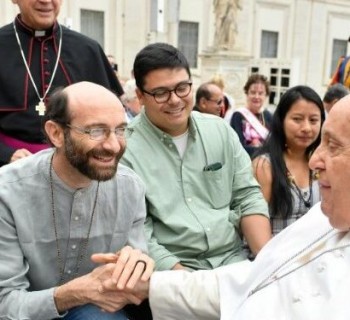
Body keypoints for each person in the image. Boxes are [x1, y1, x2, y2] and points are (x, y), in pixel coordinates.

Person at [98, 92, 350, 320]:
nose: (316, 160)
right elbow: (247, 282)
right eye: (161, 92)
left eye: (334, 146)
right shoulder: (319, 217)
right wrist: (151, 285)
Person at [0, 81, 154, 319]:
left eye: (121, 130)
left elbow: (136, 266)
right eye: (96, 131)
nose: (114, 145)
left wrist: (137, 267)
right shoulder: (7, 191)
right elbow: (4, 303)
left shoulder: (130, 187)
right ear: (56, 133)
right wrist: (74, 293)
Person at [121, 42, 271, 272]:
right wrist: (188, 284)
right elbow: (138, 232)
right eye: (161, 93)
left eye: (182, 88)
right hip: (172, 274)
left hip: (234, 262)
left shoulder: (219, 131)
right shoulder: (126, 149)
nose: (175, 100)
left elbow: (247, 196)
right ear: (140, 96)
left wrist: (267, 264)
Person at [0, 0, 124, 166]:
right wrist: (6, 153)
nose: (45, 1)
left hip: (79, 167)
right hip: (8, 169)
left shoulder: (87, 49)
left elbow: (111, 119)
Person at [252, 86, 325, 235]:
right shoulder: (265, 165)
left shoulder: (321, 164)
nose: (306, 128)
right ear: (281, 120)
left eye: (313, 120)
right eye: (297, 119)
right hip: (274, 253)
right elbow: (254, 225)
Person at [230, 73, 272, 157]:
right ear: (247, 94)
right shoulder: (238, 116)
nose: (256, 96)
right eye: (253, 92)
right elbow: (238, 147)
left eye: (260, 93)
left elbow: (275, 145)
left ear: (265, 95)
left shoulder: (269, 116)